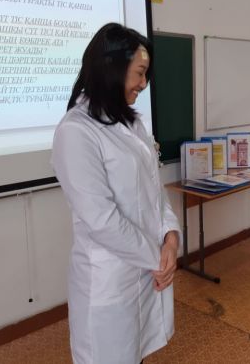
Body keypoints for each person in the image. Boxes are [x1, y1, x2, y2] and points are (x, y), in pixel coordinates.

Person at [52, 23, 181, 364]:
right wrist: (157, 257)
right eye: (139, 73)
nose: (144, 83)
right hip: (109, 279)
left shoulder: (131, 122)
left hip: (145, 269)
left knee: (137, 353)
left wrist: (170, 238)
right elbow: (101, 219)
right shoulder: (76, 131)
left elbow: (154, 190)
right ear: (112, 68)